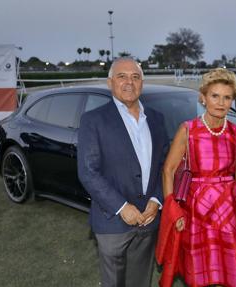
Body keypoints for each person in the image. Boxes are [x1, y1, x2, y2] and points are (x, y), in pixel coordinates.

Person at [77, 57, 168, 287]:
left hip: (148, 219)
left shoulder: (157, 119)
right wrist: (122, 207)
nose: (129, 82)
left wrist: (157, 200)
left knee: (140, 281)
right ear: (110, 83)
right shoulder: (93, 120)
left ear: (142, 83)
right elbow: (88, 172)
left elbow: (165, 167)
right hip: (113, 223)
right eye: (122, 76)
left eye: (135, 77)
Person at [161, 68, 236, 287]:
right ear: (203, 97)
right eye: (215, 96)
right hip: (195, 210)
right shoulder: (188, 130)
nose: (221, 103)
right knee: (198, 270)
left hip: (229, 210)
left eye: (227, 97)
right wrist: (172, 209)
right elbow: (169, 170)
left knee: (230, 268)